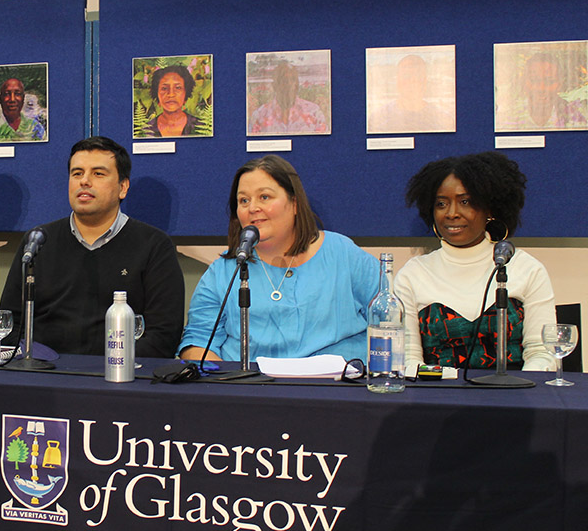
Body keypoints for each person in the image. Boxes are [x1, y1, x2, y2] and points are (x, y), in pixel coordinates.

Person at [179, 155, 377, 362]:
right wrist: (223, 385)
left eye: (264, 197)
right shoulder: (226, 270)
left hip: (334, 387)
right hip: (250, 389)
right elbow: (198, 342)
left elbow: (388, 320)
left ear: (295, 204)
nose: (253, 208)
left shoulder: (343, 254)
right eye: (243, 200)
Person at [0, 136, 184, 357]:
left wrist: (113, 366)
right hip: (44, 372)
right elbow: (10, 323)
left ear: (123, 187)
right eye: (77, 173)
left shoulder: (154, 245)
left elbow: (164, 335)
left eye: (98, 174)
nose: (84, 181)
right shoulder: (38, 240)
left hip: (120, 377)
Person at [394, 151, 555, 371]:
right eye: (441, 204)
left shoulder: (526, 268)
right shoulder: (413, 274)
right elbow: (408, 359)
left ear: (489, 209)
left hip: (514, 396)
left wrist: (517, 396)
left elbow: (541, 352)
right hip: (436, 397)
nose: (452, 213)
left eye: (465, 202)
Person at [368, 54, 454, 134]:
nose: (411, 82)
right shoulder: (379, 119)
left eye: (417, 77)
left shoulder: (444, 120)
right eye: (406, 76)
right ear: (398, 81)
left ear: (424, 82)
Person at [247, 61, 328, 135]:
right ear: (275, 85)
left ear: (297, 85)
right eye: (284, 80)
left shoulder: (314, 112)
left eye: (293, 80)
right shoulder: (259, 115)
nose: (289, 85)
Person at [0, 77, 46, 142]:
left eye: (17, 94)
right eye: (7, 94)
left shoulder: (36, 128)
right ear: (0, 99)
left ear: (23, 98)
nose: (12, 99)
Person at [140, 65, 199, 138]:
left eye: (178, 88)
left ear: (186, 92)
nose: (171, 94)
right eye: (164, 88)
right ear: (156, 93)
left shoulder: (201, 127)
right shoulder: (145, 131)